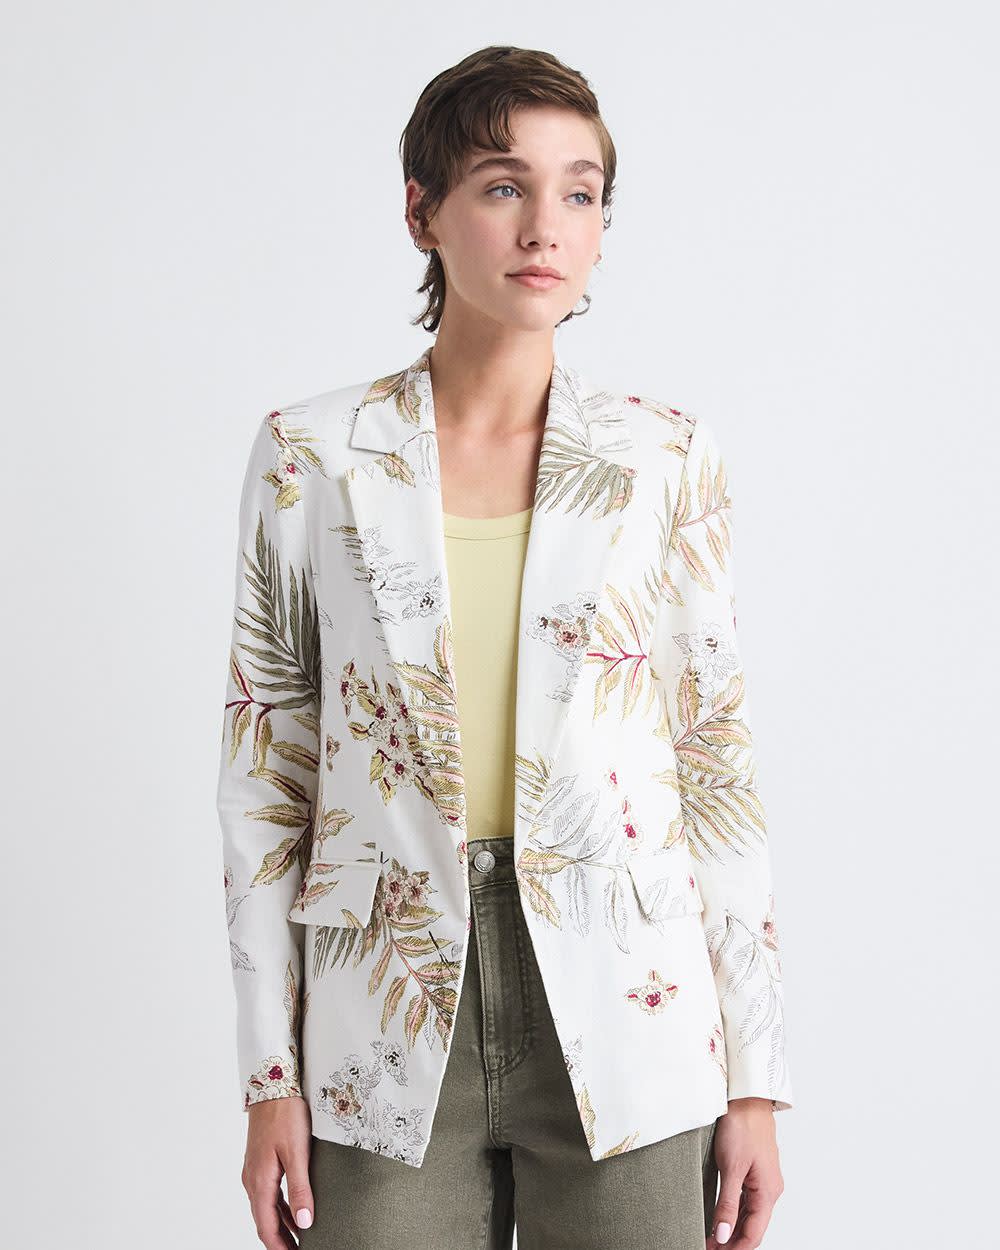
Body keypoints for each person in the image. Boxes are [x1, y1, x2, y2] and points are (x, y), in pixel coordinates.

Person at [216, 44, 792, 1250]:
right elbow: (268, 775)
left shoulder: (661, 457)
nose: (545, 227)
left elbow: (714, 762)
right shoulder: (312, 453)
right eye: (501, 185)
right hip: (384, 1000)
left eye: (579, 192)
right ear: (420, 212)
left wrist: (753, 1079)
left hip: (628, 1003)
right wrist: (269, 1075)